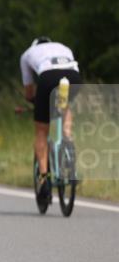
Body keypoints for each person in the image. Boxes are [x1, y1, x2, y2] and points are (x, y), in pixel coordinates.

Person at [20, 37, 83, 203]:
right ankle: (67, 140)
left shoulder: (27, 54)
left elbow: (29, 92)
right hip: (73, 77)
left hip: (48, 77)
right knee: (65, 106)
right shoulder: (63, 46)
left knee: (41, 132)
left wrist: (36, 102)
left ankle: (44, 178)